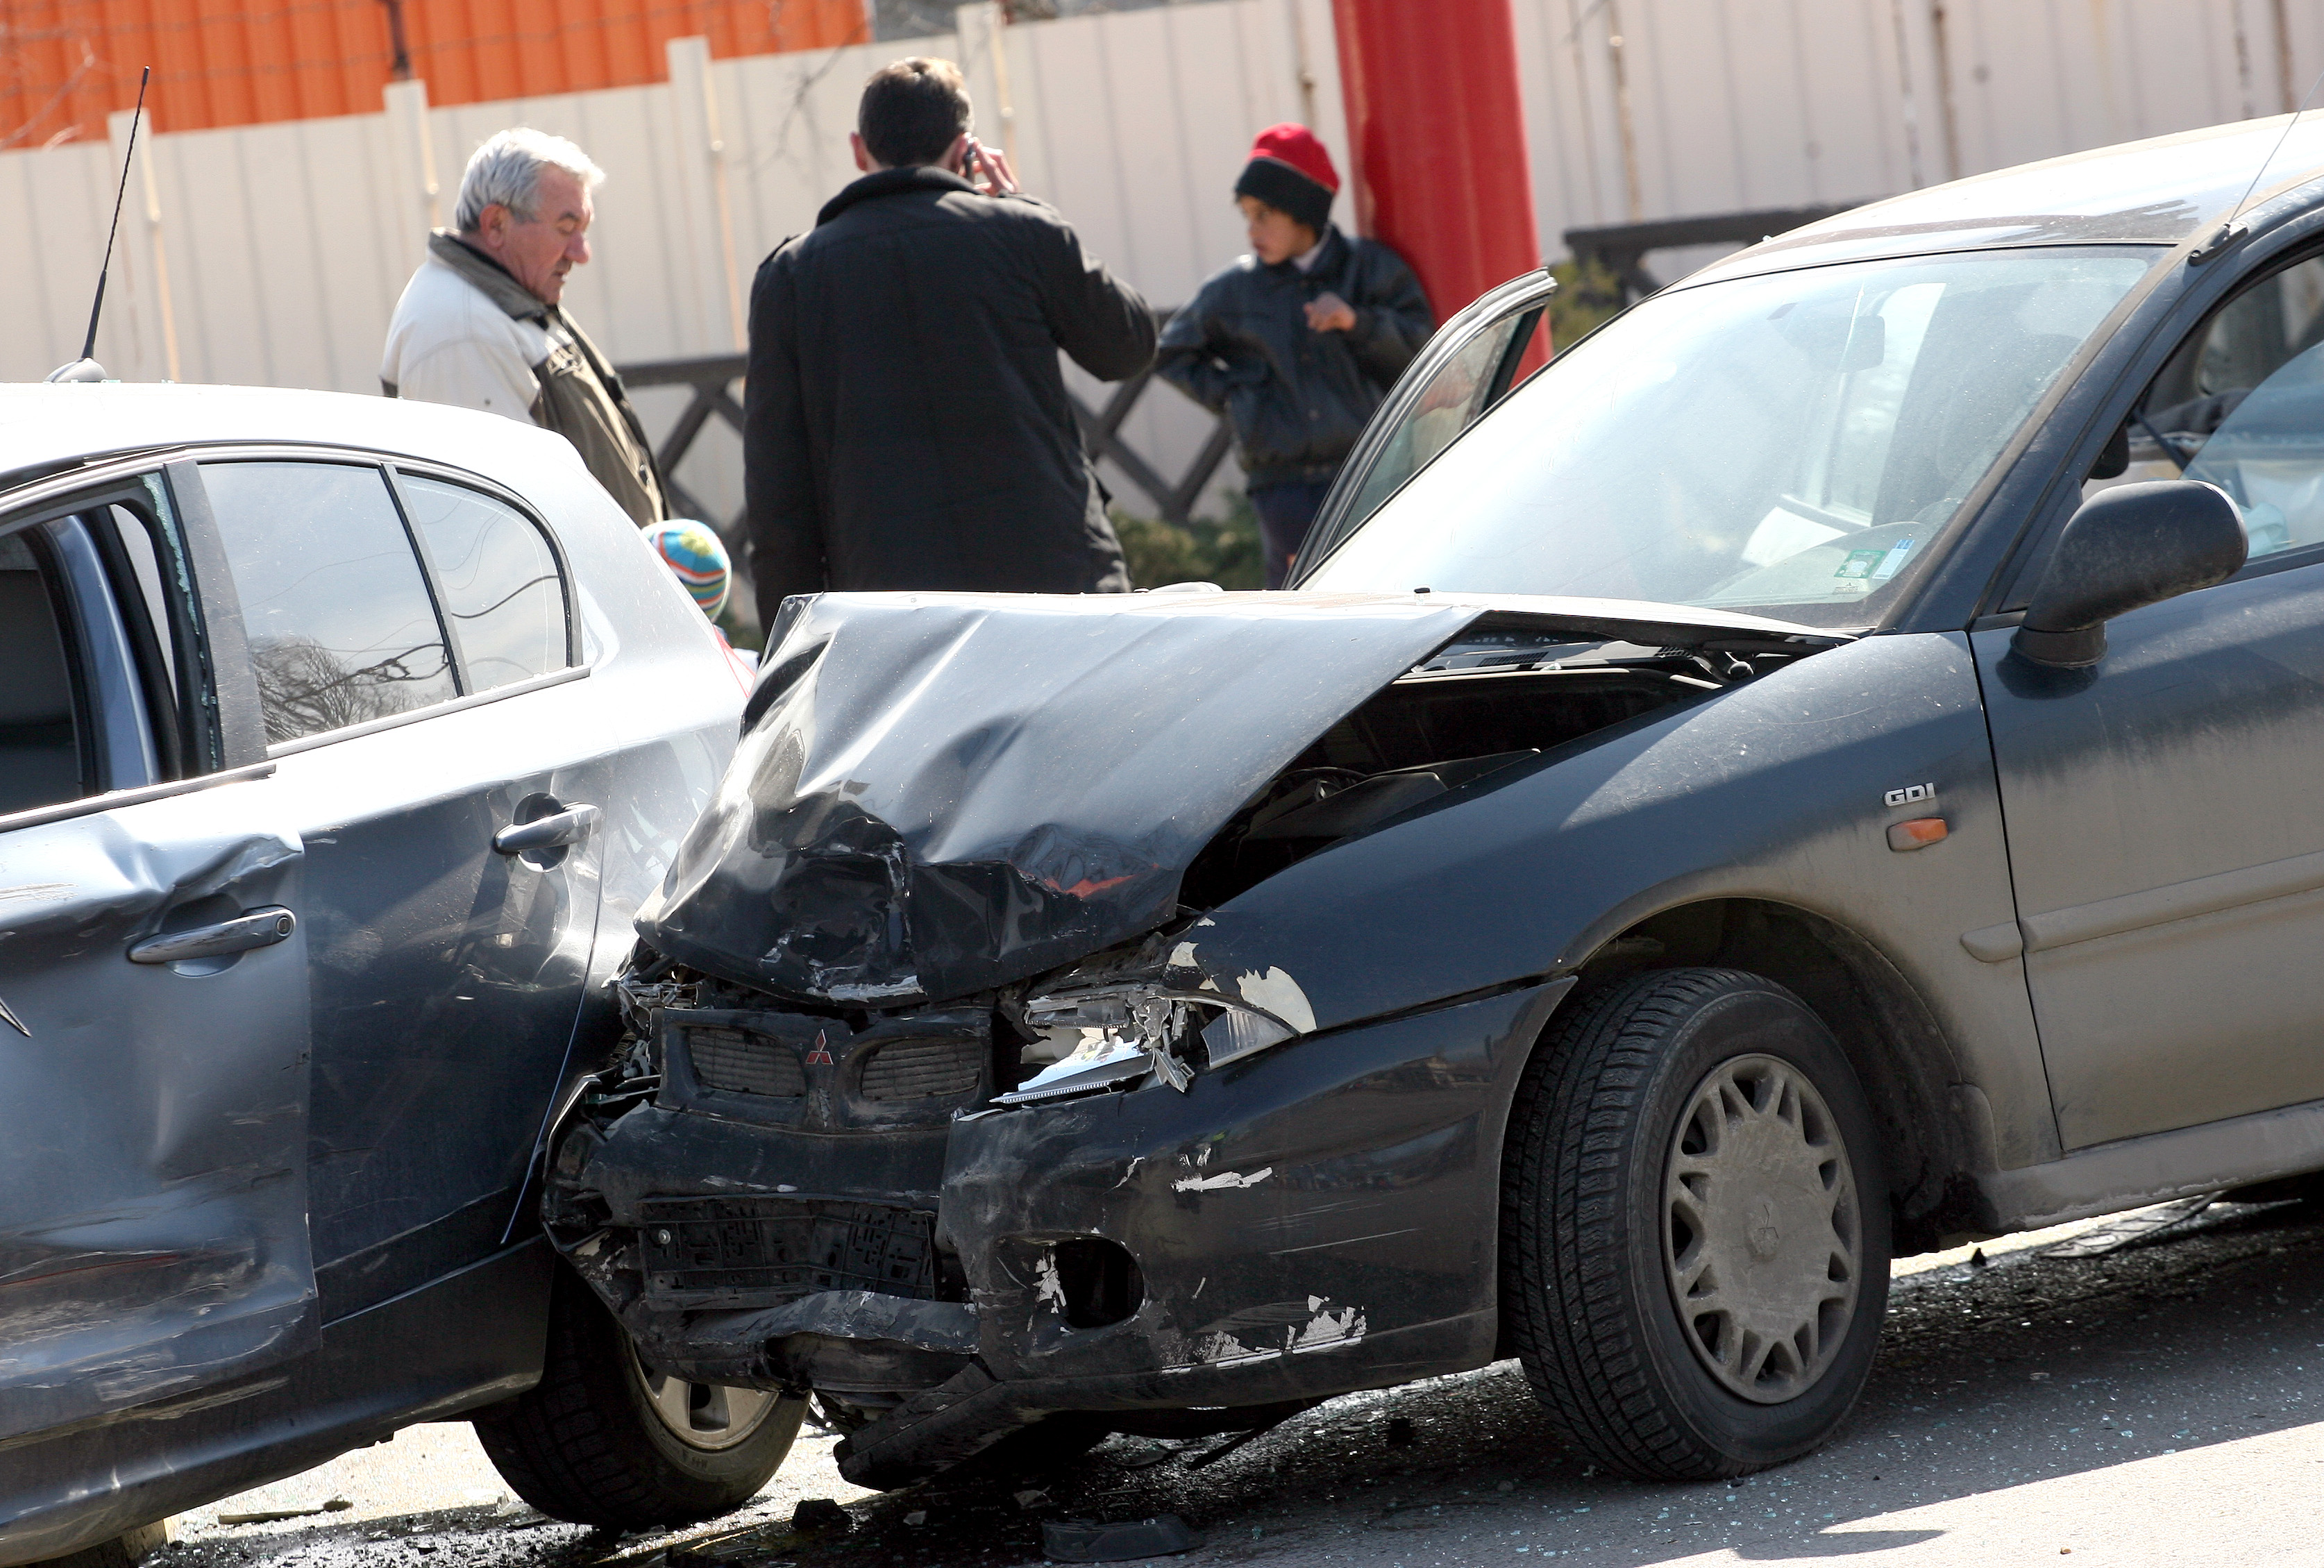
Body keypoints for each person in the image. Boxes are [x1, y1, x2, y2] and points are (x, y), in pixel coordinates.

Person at [742, 57, 1155, 629]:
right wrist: (1025, 209)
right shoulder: (1024, 235)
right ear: (966, 151)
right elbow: (1127, 347)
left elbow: (777, 494)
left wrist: (790, 647)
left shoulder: (791, 277)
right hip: (1057, 592)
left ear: (860, 150)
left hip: (893, 611)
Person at [1157, 124, 1433, 587]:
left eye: (1264, 214)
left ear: (1304, 210)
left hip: (1372, 472)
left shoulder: (1371, 268)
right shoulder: (1234, 289)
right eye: (1246, 216)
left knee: (1386, 591)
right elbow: (1171, 352)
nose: (1252, 231)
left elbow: (1424, 350)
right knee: (1301, 602)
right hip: (1284, 486)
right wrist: (1238, 397)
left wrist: (1357, 322)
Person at [381, 128, 669, 528]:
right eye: (566, 229)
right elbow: (498, 529)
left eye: (583, 231)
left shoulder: (502, 300)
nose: (581, 254)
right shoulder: (461, 333)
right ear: (496, 224)